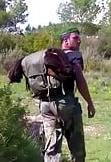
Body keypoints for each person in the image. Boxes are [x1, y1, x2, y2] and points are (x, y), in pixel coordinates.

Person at [39, 27, 96, 162]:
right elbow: (80, 80)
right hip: (66, 105)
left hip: (46, 105)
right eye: (75, 38)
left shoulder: (47, 57)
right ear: (65, 40)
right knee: (77, 149)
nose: (79, 41)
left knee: (52, 149)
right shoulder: (73, 56)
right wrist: (90, 103)